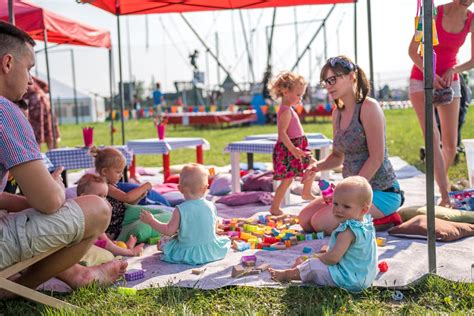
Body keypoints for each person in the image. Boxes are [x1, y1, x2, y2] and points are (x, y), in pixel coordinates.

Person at [0, 21, 126, 299]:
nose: (31, 80)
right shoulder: (5, 112)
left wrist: (26, 203)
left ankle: (69, 275)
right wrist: (56, 187)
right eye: (29, 68)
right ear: (7, 63)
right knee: (98, 208)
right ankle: (17, 290)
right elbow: (49, 202)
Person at [299, 56, 403, 235]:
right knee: (305, 220)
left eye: (333, 79)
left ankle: (386, 218)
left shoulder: (368, 107)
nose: (329, 85)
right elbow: (337, 157)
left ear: (351, 76)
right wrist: (316, 166)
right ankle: (364, 218)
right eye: (326, 82)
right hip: (350, 192)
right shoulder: (336, 114)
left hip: (381, 192)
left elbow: (376, 158)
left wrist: (350, 190)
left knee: (319, 223)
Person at [408, 0, 474, 206]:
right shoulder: (432, 11)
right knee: (432, 138)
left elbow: (473, 60)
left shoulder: (472, 20)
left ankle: (440, 182)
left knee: (451, 146)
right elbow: (412, 51)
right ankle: (445, 196)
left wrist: (454, 70)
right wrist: (430, 72)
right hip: (421, 78)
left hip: (449, 81)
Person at [269, 176, 377, 292]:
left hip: (348, 280)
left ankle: (287, 275)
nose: (338, 209)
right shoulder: (366, 223)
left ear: (363, 210)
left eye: (346, 206)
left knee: (312, 265)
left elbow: (333, 258)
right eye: (335, 204)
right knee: (316, 261)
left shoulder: (348, 231)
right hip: (364, 277)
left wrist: (316, 258)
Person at [140, 164, 230, 265]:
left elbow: (168, 231)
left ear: (180, 188)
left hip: (188, 254)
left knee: (166, 241)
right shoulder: (211, 205)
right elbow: (213, 228)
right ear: (205, 188)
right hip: (210, 252)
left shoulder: (180, 210)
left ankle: (164, 246)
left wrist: (151, 221)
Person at [267, 71, 316, 216]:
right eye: (298, 95)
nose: (300, 99)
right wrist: (294, 150)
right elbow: (282, 133)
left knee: (313, 166)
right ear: (285, 91)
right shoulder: (286, 111)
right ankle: (275, 207)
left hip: (295, 147)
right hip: (290, 148)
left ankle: (306, 193)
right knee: (288, 180)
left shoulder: (288, 109)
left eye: (302, 95)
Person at [90, 146, 152, 239]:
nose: (121, 176)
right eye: (118, 172)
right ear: (104, 171)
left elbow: (127, 203)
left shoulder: (111, 185)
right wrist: (145, 186)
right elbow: (127, 198)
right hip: (109, 231)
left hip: (119, 224)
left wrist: (139, 197)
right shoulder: (105, 187)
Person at [76, 174, 144, 257]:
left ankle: (125, 248)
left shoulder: (88, 212)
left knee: (114, 244)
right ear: (83, 197)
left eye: (105, 196)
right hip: (83, 253)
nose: (104, 200)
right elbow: (106, 244)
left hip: (91, 246)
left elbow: (103, 241)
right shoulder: (89, 217)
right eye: (99, 196)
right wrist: (131, 252)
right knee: (108, 254)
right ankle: (128, 250)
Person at [23, 76, 60, 150]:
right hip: (44, 100)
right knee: (48, 128)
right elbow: (45, 86)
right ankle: (52, 151)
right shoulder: (28, 74)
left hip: (36, 102)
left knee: (37, 131)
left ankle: (38, 154)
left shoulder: (19, 74)